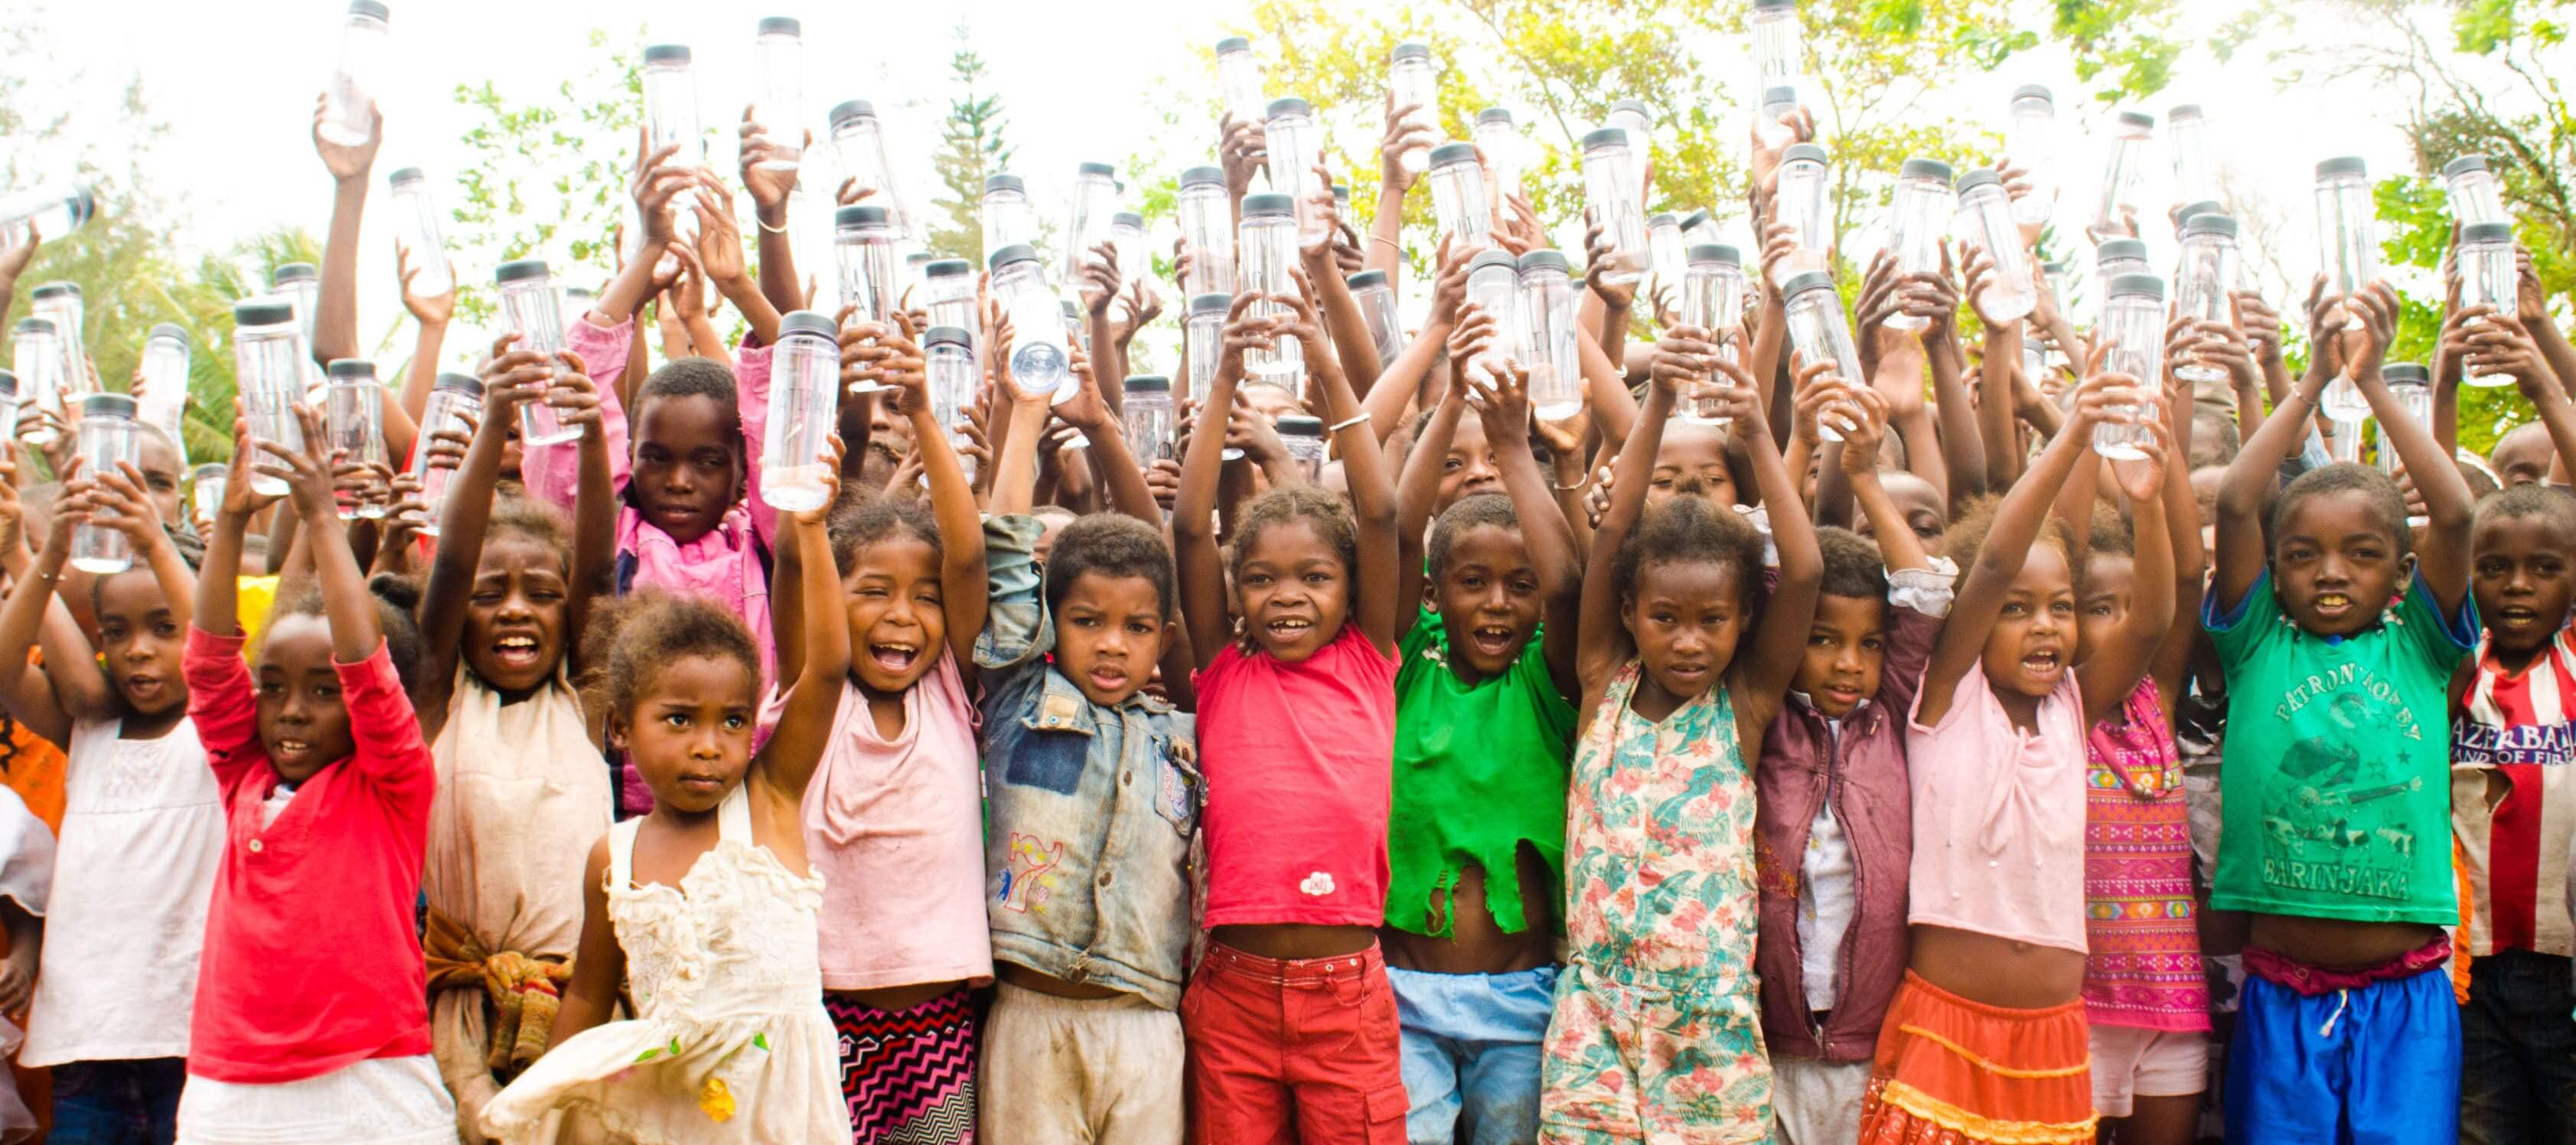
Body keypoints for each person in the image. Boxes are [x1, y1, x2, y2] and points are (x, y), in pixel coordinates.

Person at [1860, 360, 2174, 1145]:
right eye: (2016, 611)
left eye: (2061, 608)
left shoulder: (2074, 704)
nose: (2044, 626)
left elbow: (2151, 621)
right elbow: (1995, 559)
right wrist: (2072, 436)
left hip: (2054, 1036)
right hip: (1944, 1020)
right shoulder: (1946, 694)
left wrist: (2148, 504)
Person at [478, 500, 850, 1143]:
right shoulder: (613, 858)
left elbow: (829, 668)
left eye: (733, 721)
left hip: (784, 1122)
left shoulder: (771, 800)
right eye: (680, 719)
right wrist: (543, 1104)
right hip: (672, 1121)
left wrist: (812, 529)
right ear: (620, 728)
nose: (710, 745)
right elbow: (590, 996)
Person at [2206, 280, 2477, 1143]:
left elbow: (2461, 512)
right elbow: (2234, 501)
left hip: (2411, 996)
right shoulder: (2258, 645)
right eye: (2303, 554)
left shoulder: (2419, 648)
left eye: (2361, 554)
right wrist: (2311, 377)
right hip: (2283, 992)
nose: (2330, 571)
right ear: (2275, 570)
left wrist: (2373, 391)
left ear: (2401, 570)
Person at [1543, 325, 1819, 1141]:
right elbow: (1615, 525)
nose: (1688, 641)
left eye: (1712, 621)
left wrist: (1757, 437)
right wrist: (1655, 400)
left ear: (1743, 623)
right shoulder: (1605, 679)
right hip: (1594, 1009)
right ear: (1630, 611)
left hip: (1708, 1015)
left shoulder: (1743, 704)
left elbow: (1800, 571)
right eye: (1665, 618)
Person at [174, 407, 452, 1142]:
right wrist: (232, 521)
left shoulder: (392, 785)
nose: (292, 712)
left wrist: (323, 518)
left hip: (368, 1074)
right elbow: (207, 667)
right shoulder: (244, 775)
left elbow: (367, 670)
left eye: (323, 692)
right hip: (231, 1083)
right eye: (273, 687)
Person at [1172, 279, 1407, 1141]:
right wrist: (1225, 376)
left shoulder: (1368, 658)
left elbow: (1378, 509)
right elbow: (1192, 528)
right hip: (1232, 990)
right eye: (1262, 577)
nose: (1288, 596)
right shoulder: (1223, 670)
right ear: (1236, 593)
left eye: (1315, 575)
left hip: (1346, 995)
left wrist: (1324, 362)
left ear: (1351, 588)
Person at [763, 315, 990, 1143]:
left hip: (937, 1027)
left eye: (922, 597)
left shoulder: (947, 691)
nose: (904, 615)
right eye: (874, 592)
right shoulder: (814, 697)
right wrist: (812, 523)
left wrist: (925, 417)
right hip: (820, 1024)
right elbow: (795, 572)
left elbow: (967, 562)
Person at [972, 345, 1198, 1143]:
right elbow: (1003, 552)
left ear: (1162, 637)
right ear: (1050, 622)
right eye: (1086, 620)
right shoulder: (1023, 699)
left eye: (1136, 628)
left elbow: (1175, 550)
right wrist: (1028, 411)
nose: (1111, 645)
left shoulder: (1186, 738)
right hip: (1032, 1017)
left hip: (1144, 1022)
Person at [1382, 306, 1583, 1145]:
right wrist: (1455, 399)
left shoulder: (1547, 680)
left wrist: (1513, 451)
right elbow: (1393, 531)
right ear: (1435, 594)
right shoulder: (1398, 673)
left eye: (1518, 584)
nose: (1498, 602)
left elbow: (1571, 584)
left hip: (1524, 1000)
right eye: (1472, 582)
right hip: (1402, 998)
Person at [413, 341, 617, 1143]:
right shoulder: (441, 700)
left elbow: (599, 575)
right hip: (461, 1013)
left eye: (541, 593)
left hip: (581, 1004)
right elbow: (450, 564)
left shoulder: (586, 703)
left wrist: (596, 440)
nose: (515, 610)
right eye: (490, 596)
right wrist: (496, 415)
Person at [1755, 388, 1955, 1144]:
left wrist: (1867, 476)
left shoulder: (1895, 711)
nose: (1850, 662)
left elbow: (1927, 595)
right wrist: (1797, 444)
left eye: (1870, 642)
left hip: (1871, 1044)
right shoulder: (1765, 708)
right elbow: (1774, 567)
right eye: (1823, 638)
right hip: (1767, 1040)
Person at [0, 455, 211, 1142]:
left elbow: (222, 652)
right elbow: (6, 671)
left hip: (194, 1035)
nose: (138, 652)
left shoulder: (225, 731)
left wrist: (154, 540)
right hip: (85, 1038)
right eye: (116, 635)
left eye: (164, 628)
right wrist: (31, 550)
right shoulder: (90, 731)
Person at [2070, 332, 2211, 1143]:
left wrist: (2152, 494)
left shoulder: (2156, 695)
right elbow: (2064, 546)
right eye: (2096, 605)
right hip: (2082, 1001)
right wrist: (2087, 438)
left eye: (2128, 606)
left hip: (2171, 997)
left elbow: (2179, 585)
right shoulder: (2068, 707)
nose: (2120, 622)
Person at [2446, 301, 2576, 1144]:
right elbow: (2437, 506)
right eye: (2495, 569)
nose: (2518, 586)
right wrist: (2445, 381)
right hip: (2474, 973)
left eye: (2545, 568)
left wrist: (2538, 372)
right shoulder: (2457, 666)